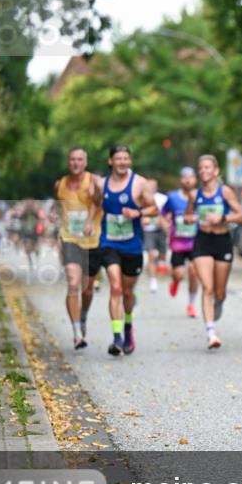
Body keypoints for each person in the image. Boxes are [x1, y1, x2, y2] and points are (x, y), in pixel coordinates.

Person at [99, 145, 157, 356]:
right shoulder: (101, 184)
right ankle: (116, 338)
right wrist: (89, 222)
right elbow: (94, 207)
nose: (122, 162)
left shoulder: (140, 183)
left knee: (127, 292)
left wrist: (137, 212)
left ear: (130, 161)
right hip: (109, 242)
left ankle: (128, 326)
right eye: (118, 158)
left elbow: (154, 208)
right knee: (115, 286)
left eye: (126, 158)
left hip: (132, 245)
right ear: (110, 161)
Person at [183, 154, 242, 349]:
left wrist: (223, 218)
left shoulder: (225, 191)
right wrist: (190, 219)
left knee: (219, 292)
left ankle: (218, 303)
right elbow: (187, 216)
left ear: (216, 171)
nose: (204, 171)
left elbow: (241, 216)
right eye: (201, 168)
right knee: (207, 287)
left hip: (222, 241)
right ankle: (211, 332)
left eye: (208, 167)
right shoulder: (194, 194)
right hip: (202, 241)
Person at [53, 147, 102, 349]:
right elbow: (59, 207)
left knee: (87, 290)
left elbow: (101, 203)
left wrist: (91, 214)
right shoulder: (60, 184)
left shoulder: (95, 182)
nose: (76, 163)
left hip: (92, 240)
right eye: (72, 159)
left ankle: (83, 315)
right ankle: (76, 333)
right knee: (73, 283)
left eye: (80, 159)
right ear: (68, 161)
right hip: (70, 238)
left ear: (86, 162)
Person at [162, 167, 200, 317]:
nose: (188, 180)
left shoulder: (200, 196)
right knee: (179, 274)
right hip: (178, 244)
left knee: (193, 272)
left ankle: (191, 304)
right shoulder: (172, 197)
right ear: (180, 180)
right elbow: (163, 214)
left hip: (196, 242)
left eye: (191, 177)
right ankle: (176, 280)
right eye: (185, 177)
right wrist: (164, 222)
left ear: (195, 179)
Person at [142, 178, 168, 293]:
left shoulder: (163, 198)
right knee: (151, 255)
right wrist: (142, 220)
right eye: (149, 186)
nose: (151, 188)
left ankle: (158, 261)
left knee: (162, 255)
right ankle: (153, 280)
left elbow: (170, 212)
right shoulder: (141, 198)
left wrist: (165, 221)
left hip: (161, 230)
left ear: (156, 187)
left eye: (153, 186)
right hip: (149, 230)